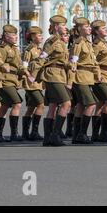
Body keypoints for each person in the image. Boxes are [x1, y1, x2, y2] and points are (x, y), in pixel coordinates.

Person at [30, 15, 72, 146]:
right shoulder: (52, 41)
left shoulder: (60, 42)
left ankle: (48, 137)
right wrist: (33, 75)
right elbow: (42, 58)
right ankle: (55, 135)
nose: (65, 28)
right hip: (53, 75)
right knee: (66, 104)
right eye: (63, 25)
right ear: (56, 27)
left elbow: (62, 60)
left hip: (59, 74)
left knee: (53, 105)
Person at [69, 17, 101, 144]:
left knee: (81, 105)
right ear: (79, 29)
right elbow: (73, 63)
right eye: (86, 27)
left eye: (89, 26)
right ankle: (82, 133)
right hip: (80, 77)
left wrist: (97, 73)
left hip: (88, 77)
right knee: (91, 104)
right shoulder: (78, 44)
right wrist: (69, 81)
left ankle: (76, 135)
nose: (89, 29)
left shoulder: (88, 43)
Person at [0, 25, 29, 142]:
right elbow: (1, 64)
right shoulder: (3, 49)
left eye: (16, 35)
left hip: (13, 80)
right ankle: (13, 133)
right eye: (13, 35)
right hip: (5, 80)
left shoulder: (15, 49)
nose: (16, 37)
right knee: (17, 103)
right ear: (6, 36)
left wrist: (26, 73)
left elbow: (19, 64)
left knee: (5, 106)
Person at [91, 19, 107, 142]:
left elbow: (106, 59)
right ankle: (104, 132)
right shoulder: (96, 44)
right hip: (99, 77)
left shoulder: (105, 43)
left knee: (100, 104)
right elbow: (92, 60)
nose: (106, 30)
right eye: (102, 28)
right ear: (96, 31)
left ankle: (97, 133)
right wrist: (97, 73)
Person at [22, 26, 45, 141]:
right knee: (41, 104)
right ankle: (34, 132)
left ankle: (26, 133)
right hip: (31, 84)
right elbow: (24, 66)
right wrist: (28, 76)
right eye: (39, 35)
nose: (41, 37)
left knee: (31, 107)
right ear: (32, 36)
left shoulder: (40, 50)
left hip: (38, 83)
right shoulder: (29, 50)